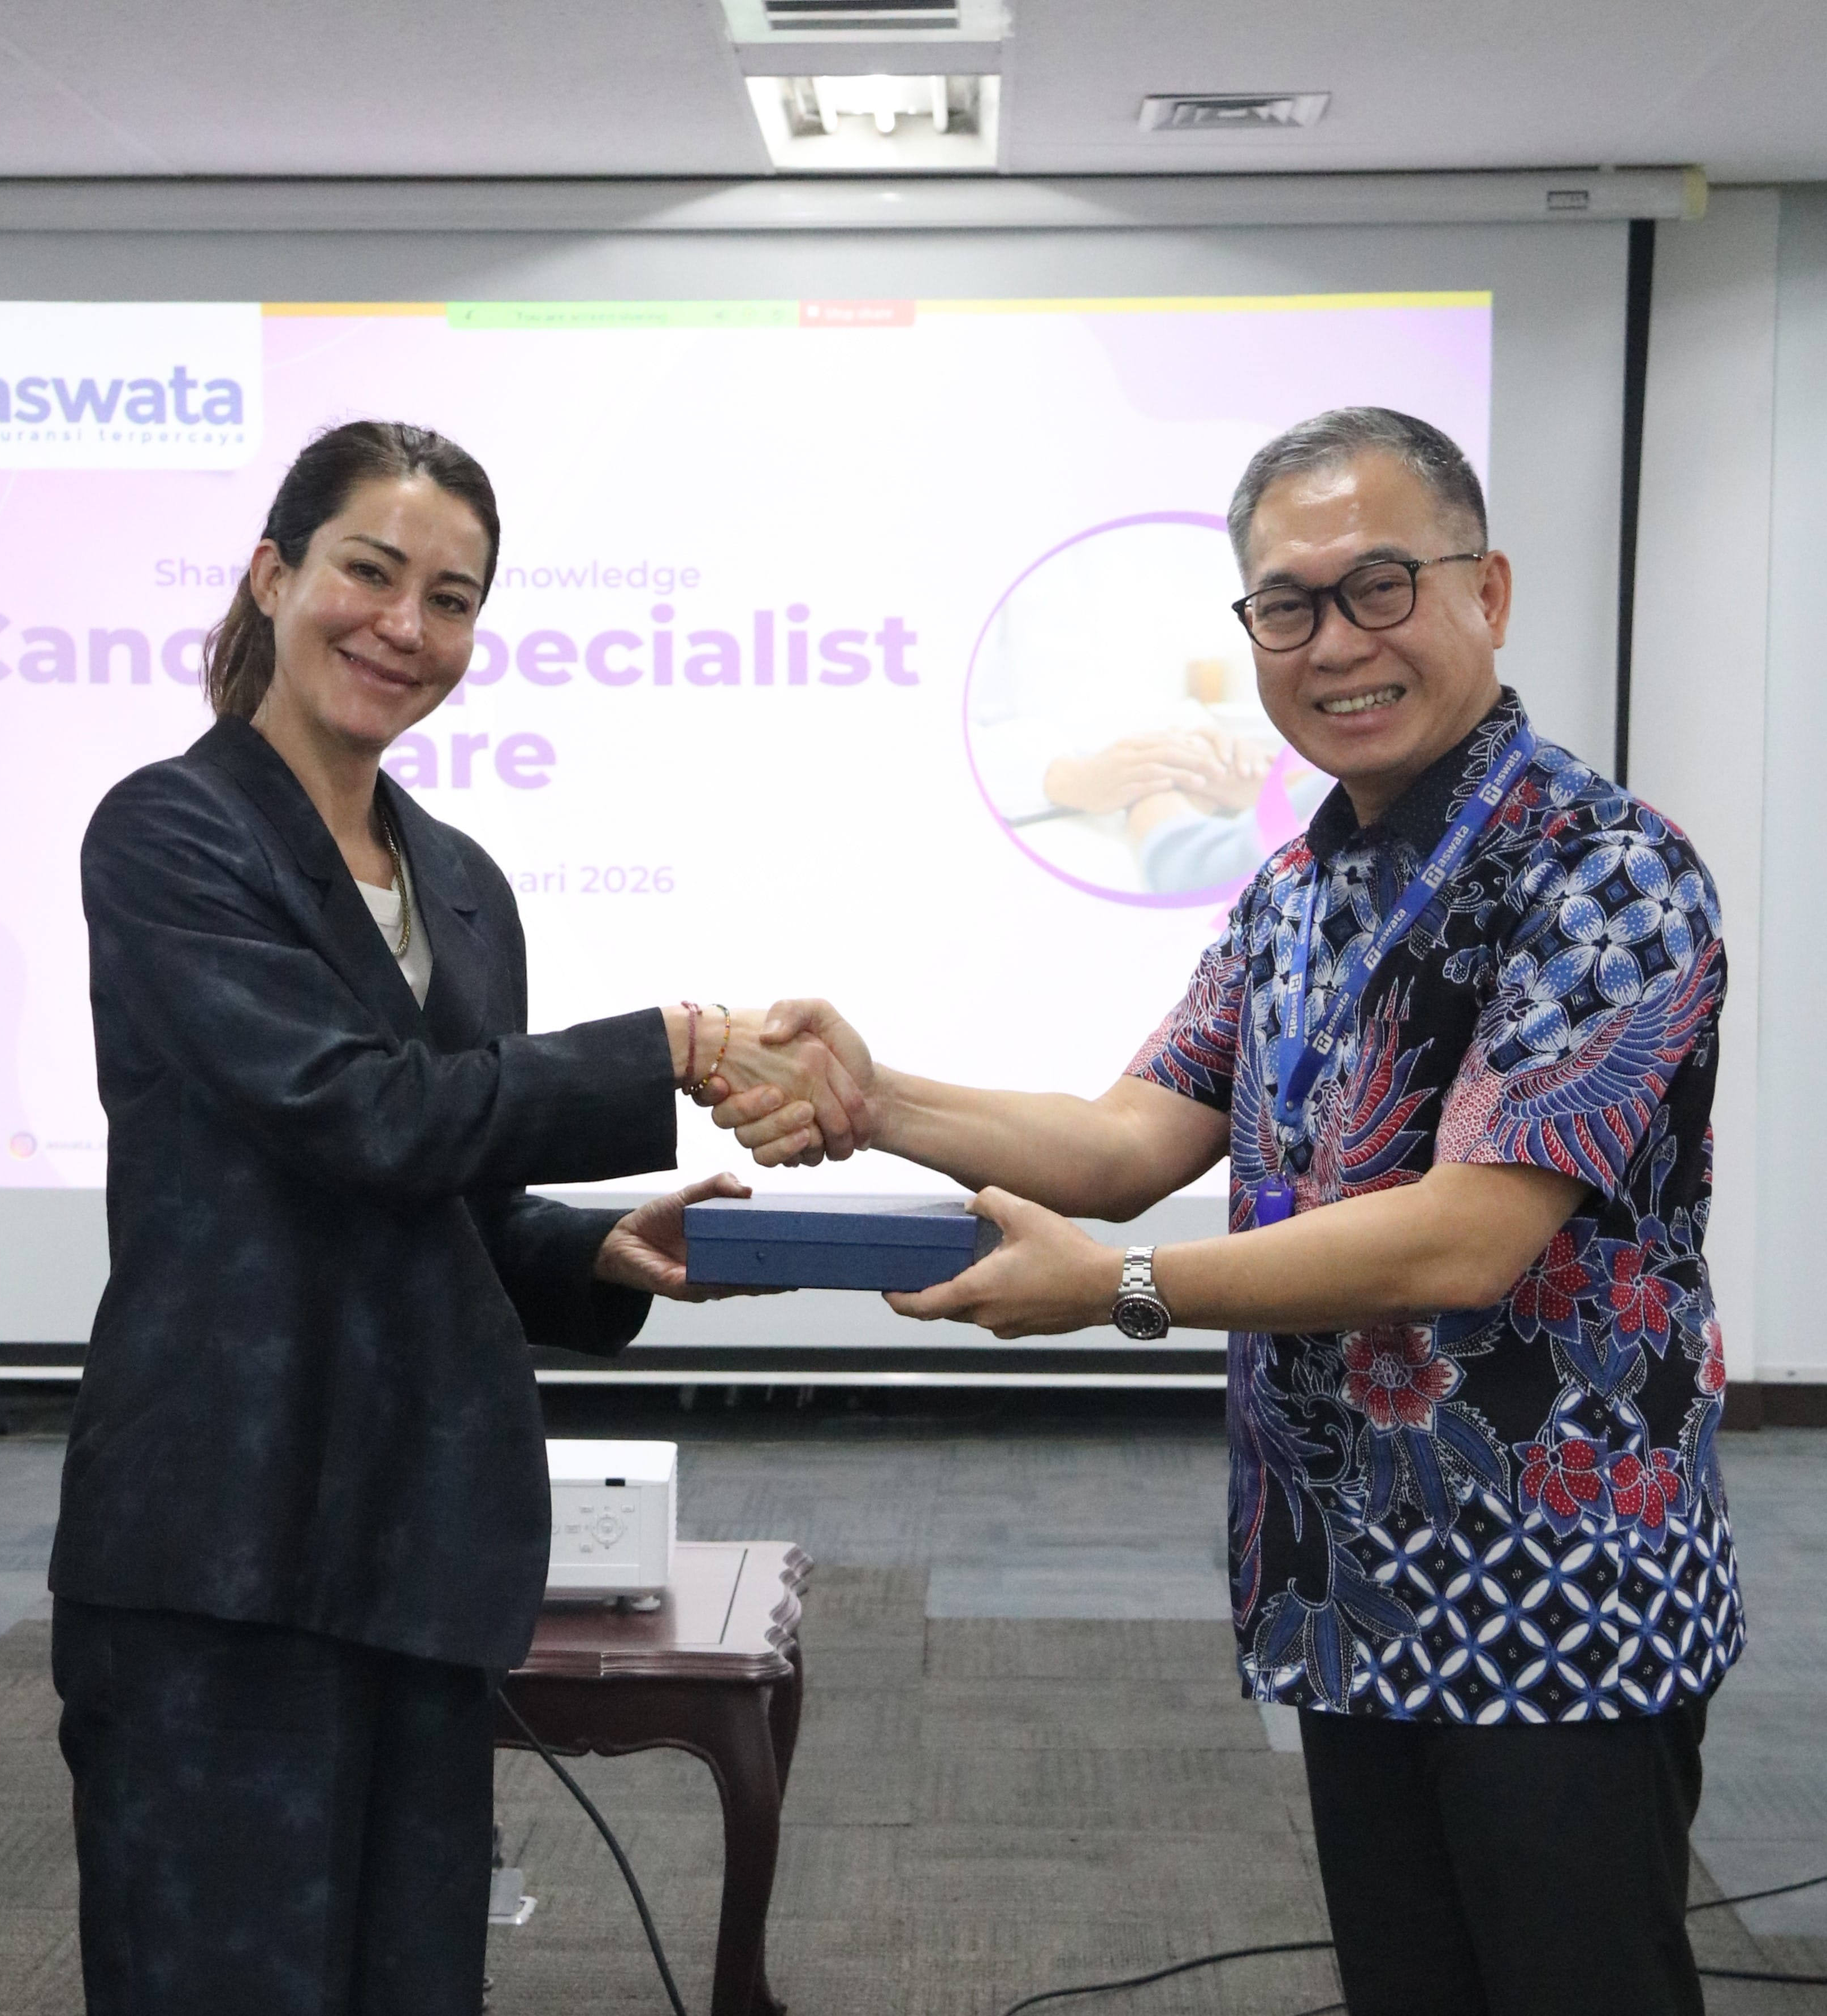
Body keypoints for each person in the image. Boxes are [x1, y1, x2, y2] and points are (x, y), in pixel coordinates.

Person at [720, 407, 1742, 2015]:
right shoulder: (1294, 890)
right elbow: (1128, 1136)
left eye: (1381, 586)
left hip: (1556, 1586)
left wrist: (1121, 1288)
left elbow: (1468, 1235)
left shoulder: (1605, 870)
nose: (1335, 643)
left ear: (1488, 593)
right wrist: (875, 1095)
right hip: (1350, 1577)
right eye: (1288, 605)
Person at [47, 419, 863, 2016]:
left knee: (415, 1981)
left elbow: (448, 1194)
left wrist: (596, 1248)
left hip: (421, 1544)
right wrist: (678, 1045)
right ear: (273, 576)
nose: (404, 628)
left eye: (451, 599)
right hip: (223, 1542)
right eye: (370, 572)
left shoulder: (465, 881)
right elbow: (358, 1112)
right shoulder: (169, 833)